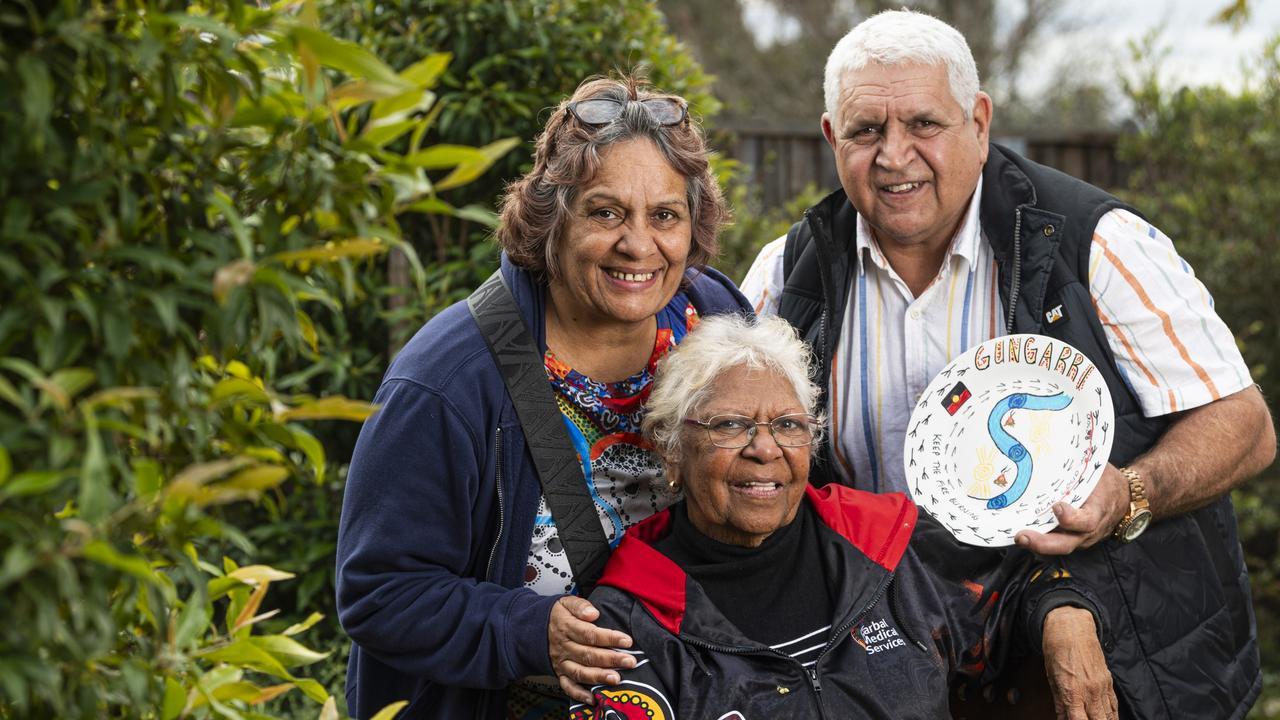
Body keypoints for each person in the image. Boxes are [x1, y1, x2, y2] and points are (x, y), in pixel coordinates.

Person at [741, 9, 1276, 719]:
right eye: (867, 131)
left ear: (980, 122)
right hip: (898, 670)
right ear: (833, 138)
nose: (895, 155)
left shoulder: (1095, 242)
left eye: (924, 124)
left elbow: (1244, 424)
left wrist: (1129, 492)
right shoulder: (788, 276)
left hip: (1116, 662)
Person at [335, 75, 751, 719]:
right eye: (605, 212)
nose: (639, 245)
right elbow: (379, 593)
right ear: (551, 218)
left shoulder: (715, 316)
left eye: (665, 215)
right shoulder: (447, 383)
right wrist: (529, 631)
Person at [570, 314, 1055, 719]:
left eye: (787, 424)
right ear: (672, 450)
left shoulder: (887, 545)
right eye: (731, 424)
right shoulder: (626, 624)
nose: (765, 449)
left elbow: (1020, 587)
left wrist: (1063, 613)